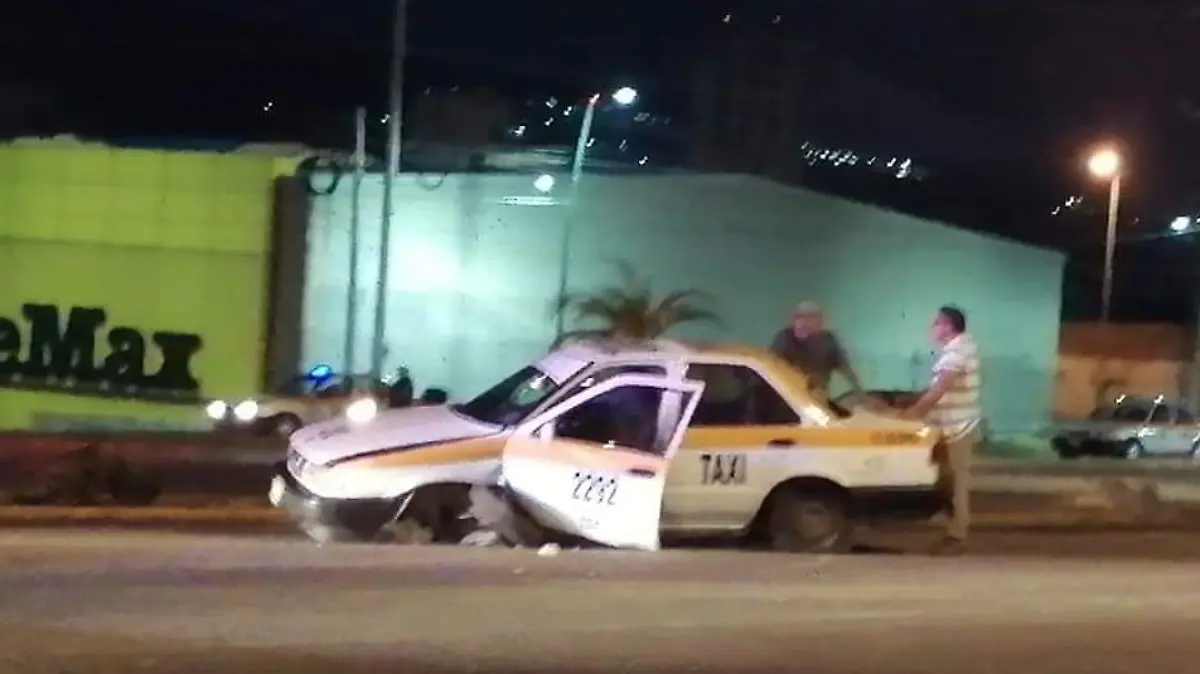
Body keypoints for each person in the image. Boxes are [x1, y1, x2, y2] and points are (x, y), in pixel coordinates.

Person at [900, 305, 982, 556]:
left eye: (936, 323)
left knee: (957, 483)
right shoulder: (960, 347)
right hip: (950, 426)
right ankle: (952, 530)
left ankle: (957, 536)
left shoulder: (957, 353)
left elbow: (939, 390)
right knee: (947, 481)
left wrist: (911, 415)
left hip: (957, 428)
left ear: (948, 326)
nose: (932, 328)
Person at [770, 301, 864, 398]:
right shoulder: (784, 337)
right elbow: (770, 366)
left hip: (816, 397)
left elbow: (846, 370)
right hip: (786, 395)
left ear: (820, 321)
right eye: (798, 317)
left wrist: (861, 394)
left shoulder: (829, 340)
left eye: (809, 317)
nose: (802, 323)